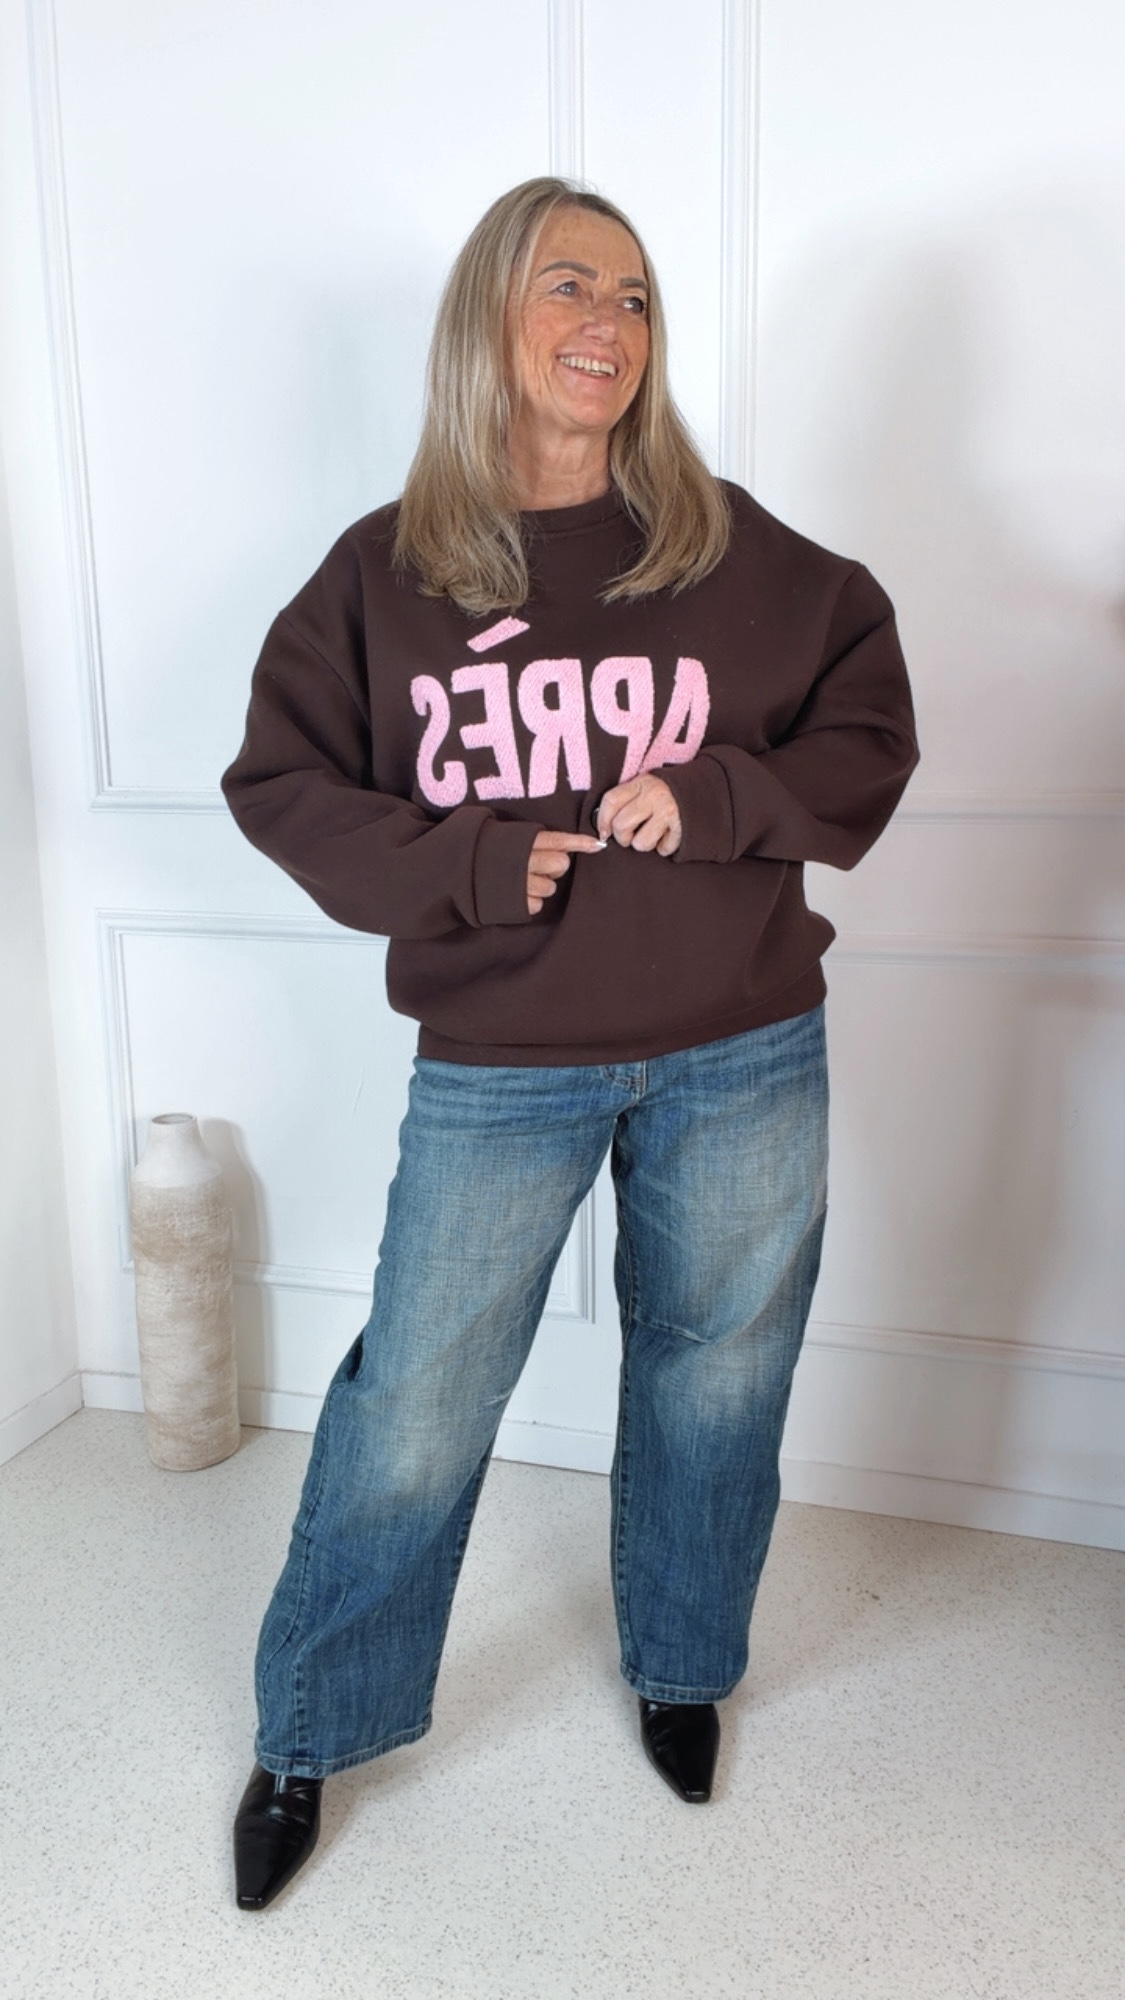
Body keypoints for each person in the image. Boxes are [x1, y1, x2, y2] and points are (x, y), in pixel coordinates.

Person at [221, 176, 918, 1910]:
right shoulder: (383, 575)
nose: (606, 323)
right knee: (416, 1401)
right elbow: (281, 781)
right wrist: (464, 863)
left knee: (716, 1380)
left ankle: (681, 1670)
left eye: (633, 296)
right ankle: (312, 1729)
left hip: (741, 1047)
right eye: (565, 287)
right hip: (500, 1065)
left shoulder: (733, 550)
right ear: (489, 319)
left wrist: (726, 796)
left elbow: (867, 715)